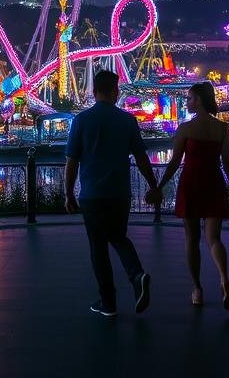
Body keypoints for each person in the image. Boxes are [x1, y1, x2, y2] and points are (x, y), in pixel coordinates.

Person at [66, 70, 159, 317]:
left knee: (98, 248)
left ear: (94, 91)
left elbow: (72, 161)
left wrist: (68, 193)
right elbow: (141, 158)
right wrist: (153, 185)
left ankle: (108, 303)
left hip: (92, 195)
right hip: (120, 193)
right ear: (116, 92)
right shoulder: (127, 120)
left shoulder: (81, 120)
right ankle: (136, 275)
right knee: (119, 236)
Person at [156, 81, 229, 309]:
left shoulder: (185, 129)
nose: (187, 102)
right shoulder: (221, 128)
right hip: (214, 183)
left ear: (199, 100)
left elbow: (174, 163)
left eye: (190, 98)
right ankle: (223, 279)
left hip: (191, 184)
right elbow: (228, 163)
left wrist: (160, 186)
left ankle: (197, 289)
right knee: (214, 239)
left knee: (191, 240)